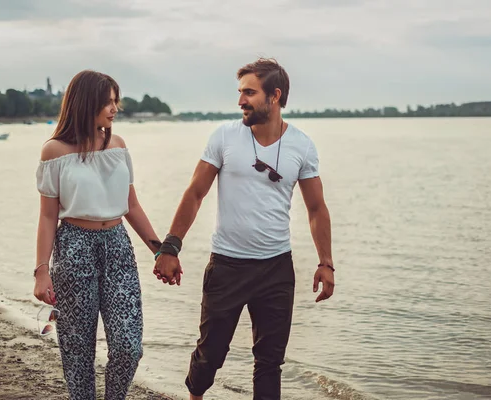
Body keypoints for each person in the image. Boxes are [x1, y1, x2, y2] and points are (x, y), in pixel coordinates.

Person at [153, 58, 335, 400]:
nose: (240, 101)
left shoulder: (301, 145)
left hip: (276, 270)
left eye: (249, 93)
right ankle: (195, 396)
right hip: (227, 266)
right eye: (240, 93)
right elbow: (195, 193)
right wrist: (170, 246)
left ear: (275, 96)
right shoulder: (224, 137)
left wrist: (326, 262)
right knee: (210, 355)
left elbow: (316, 208)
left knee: (270, 363)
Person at [33, 70, 161, 400]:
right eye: (107, 102)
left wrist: (161, 251)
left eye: (116, 101)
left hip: (118, 246)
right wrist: (41, 271)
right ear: (85, 103)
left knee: (129, 346)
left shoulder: (118, 146)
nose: (114, 108)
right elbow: (48, 216)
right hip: (74, 247)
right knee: (78, 354)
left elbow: (131, 205)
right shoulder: (54, 151)